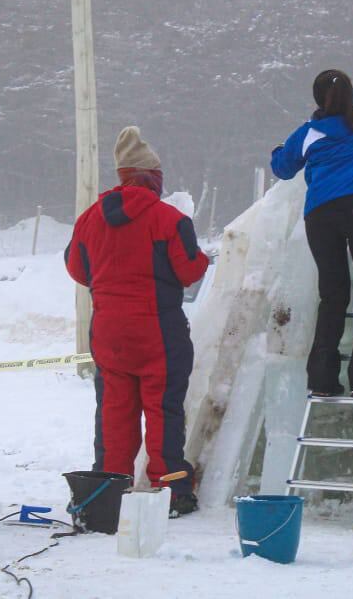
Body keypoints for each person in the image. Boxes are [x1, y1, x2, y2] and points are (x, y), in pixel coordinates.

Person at [65, 126, 209, 518]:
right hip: (158, 331)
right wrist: (204, 258)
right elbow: (188, 270)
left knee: (114, 409)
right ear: (153, 179)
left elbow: (78, 270)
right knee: (163, 408)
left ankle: (108, 484)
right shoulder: (169, 219)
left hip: (109, 332)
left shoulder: (89, 219)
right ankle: (170, 486)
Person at [270, 69, 353, 399]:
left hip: (322, 214)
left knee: (333, 294)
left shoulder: (307, 133)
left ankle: (322, 379)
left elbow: (282, 168)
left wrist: (279, 148)